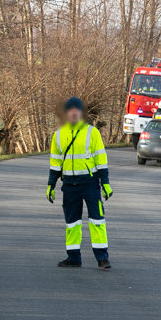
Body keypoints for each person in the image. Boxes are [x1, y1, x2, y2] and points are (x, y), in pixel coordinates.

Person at [47, 97, 113, 270]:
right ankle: (73, 258)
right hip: (69, 185)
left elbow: (101, 159)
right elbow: (55, 163)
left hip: (90, 184)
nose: (74, 113)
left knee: (97, 221)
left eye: (77, 110)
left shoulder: (92, 132)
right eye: (71, 110)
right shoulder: (59, 134)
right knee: (72, 223)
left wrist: (105, 183)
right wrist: (50, 185)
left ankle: (102, 259)